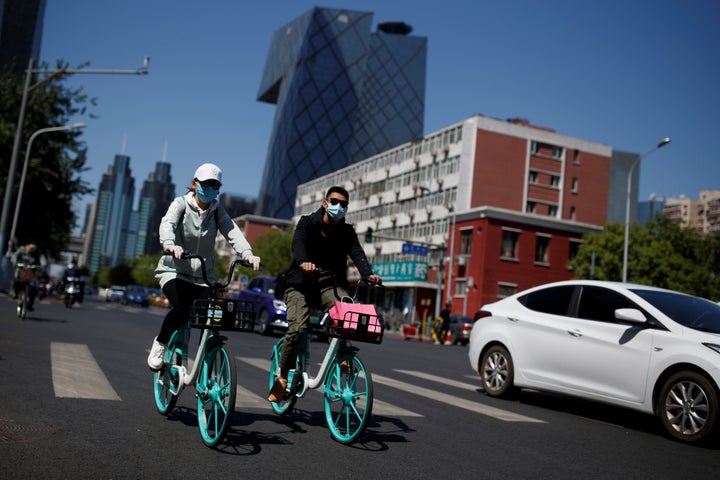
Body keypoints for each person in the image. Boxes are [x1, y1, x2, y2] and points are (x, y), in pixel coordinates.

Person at [268, 185, 381, 402]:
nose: (339, 207)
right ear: (325, 203)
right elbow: (297, 243)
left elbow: (357, 252)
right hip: (300, 284)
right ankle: (282, 376)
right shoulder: (307, 223)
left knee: (345, 316)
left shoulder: (347, 232)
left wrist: (368, 274)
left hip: (329, 285)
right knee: (298, 328)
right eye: (335, 202)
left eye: (344, 204)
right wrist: (302, 262)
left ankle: (341, 355)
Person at [146, 163, 261, 370]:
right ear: (194, 184)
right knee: (181, 309)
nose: (211, 190)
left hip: (202, 277)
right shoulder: (180, 204)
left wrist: (248, 254)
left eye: (215, 186)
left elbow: (233, 232)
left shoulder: (217, 212)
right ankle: (160, 343)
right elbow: (168, 223)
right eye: (207, 184)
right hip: (173, 271)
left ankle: (205, 365)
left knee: (213, 316)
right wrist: (170, 244)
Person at [11, 240, 47, 311]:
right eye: (31, 248)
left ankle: (30, 304)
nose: (32, 250)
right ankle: (15, 293)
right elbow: (15, 256)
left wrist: (43, 265)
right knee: (16, 280)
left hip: (31, 270)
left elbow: (42, 259)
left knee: (33, 287)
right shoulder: (21, 249)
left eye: (34, 248)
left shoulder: (38, 252)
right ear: (27, 246)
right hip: (21, 269)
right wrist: (15, 262)